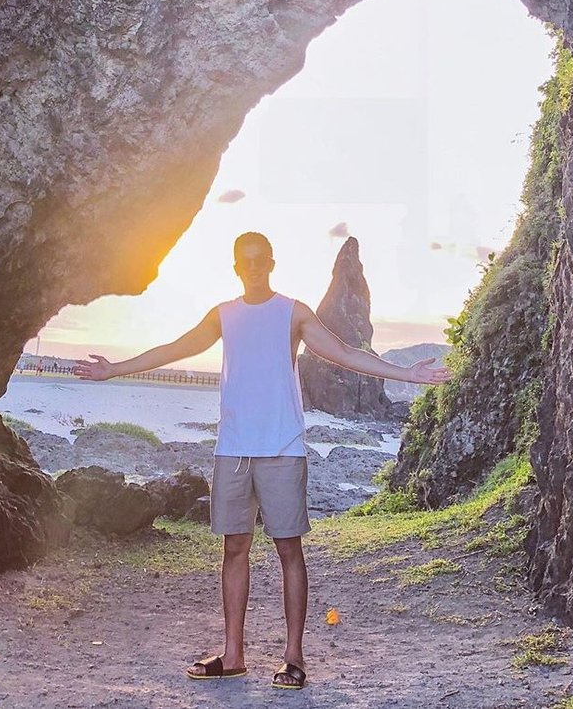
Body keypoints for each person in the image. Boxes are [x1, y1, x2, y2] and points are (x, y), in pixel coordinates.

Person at [73, 232, 451, 690]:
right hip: (232, 449)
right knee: (234, 549)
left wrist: (406, 374)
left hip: (282, 448)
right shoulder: (224, 315)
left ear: (271, 262)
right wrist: (114, 369)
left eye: (259, 260)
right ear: (236, 267)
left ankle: (294, 657)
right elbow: (176, 348)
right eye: (244, 261)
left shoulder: (292, 313)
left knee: (289, 550)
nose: (252, 267)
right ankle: (233, 655)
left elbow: (346, 354)